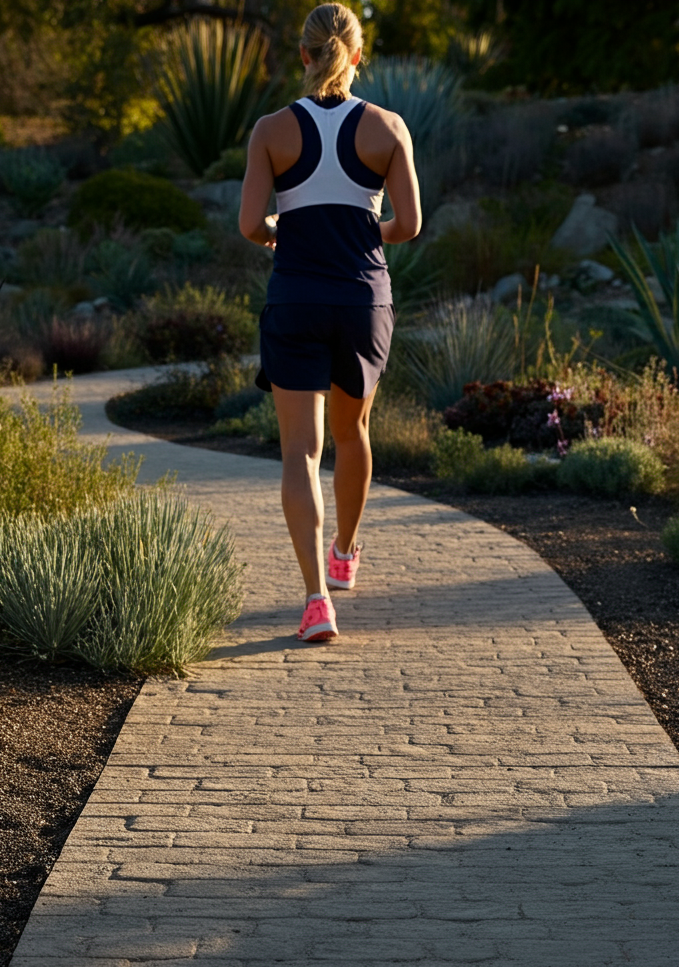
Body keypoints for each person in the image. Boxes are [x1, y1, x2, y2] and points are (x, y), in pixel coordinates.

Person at [238, 2, 421, 642]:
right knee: (354, 431)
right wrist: (368, 229)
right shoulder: (388, 126)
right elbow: (410, 224)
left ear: (305, 55)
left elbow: (249, 225)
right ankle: (345, 552)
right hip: (363, 300)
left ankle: (317, 600)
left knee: (300, 452)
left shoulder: (270, 131)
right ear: (358, 55)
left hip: (295, 301)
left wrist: (280, 235)